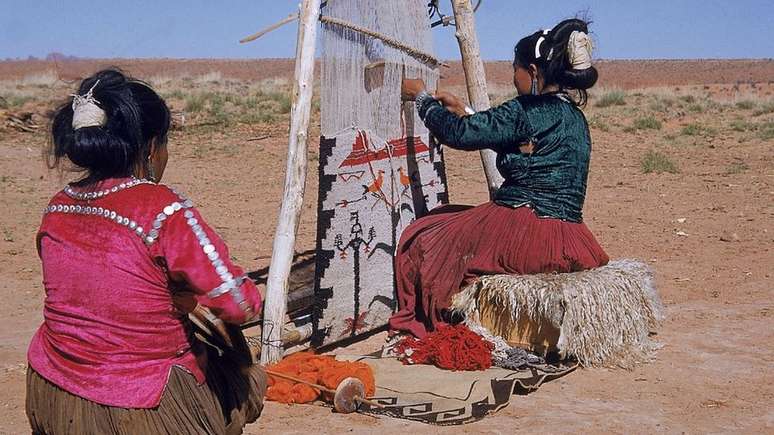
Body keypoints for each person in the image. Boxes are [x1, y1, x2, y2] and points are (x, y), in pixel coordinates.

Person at [26, 69, 266, 434]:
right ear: (151, 147)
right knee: (245, 377)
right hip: (141, 401)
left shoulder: (57, 207)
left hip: (54, 384)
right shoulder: (163, 210)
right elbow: (240, 304)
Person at [391, 18, 609, 338]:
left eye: (515, 69)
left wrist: (421, 97)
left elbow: (458, 135)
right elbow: (512, 138)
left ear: (533, 72)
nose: (514, 77)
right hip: (571, 237)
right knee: (448, 222)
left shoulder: (527, 109)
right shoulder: (575, 118)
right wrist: (464, 109)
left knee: (425, 235)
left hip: (526, 229)